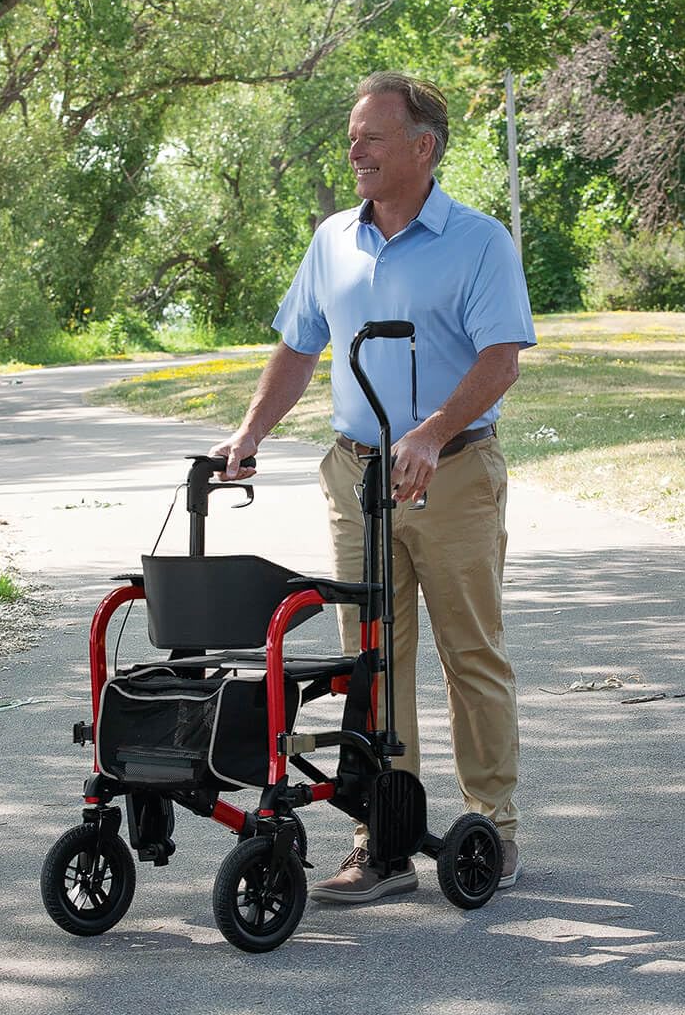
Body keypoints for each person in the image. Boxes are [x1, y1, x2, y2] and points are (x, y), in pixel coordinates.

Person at [211, 71, 535, 904]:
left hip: (453, 471)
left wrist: (429, 431)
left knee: (471, 656)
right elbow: (298, 347)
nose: (354, 148)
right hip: (357, 475)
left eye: (372, 136)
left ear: (423, 148)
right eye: (354, 134)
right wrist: (251, 433)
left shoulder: (479, 242)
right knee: (372, 665)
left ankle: (488, 829)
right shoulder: (332, 240)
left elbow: (501, 358)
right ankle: (383, 836)